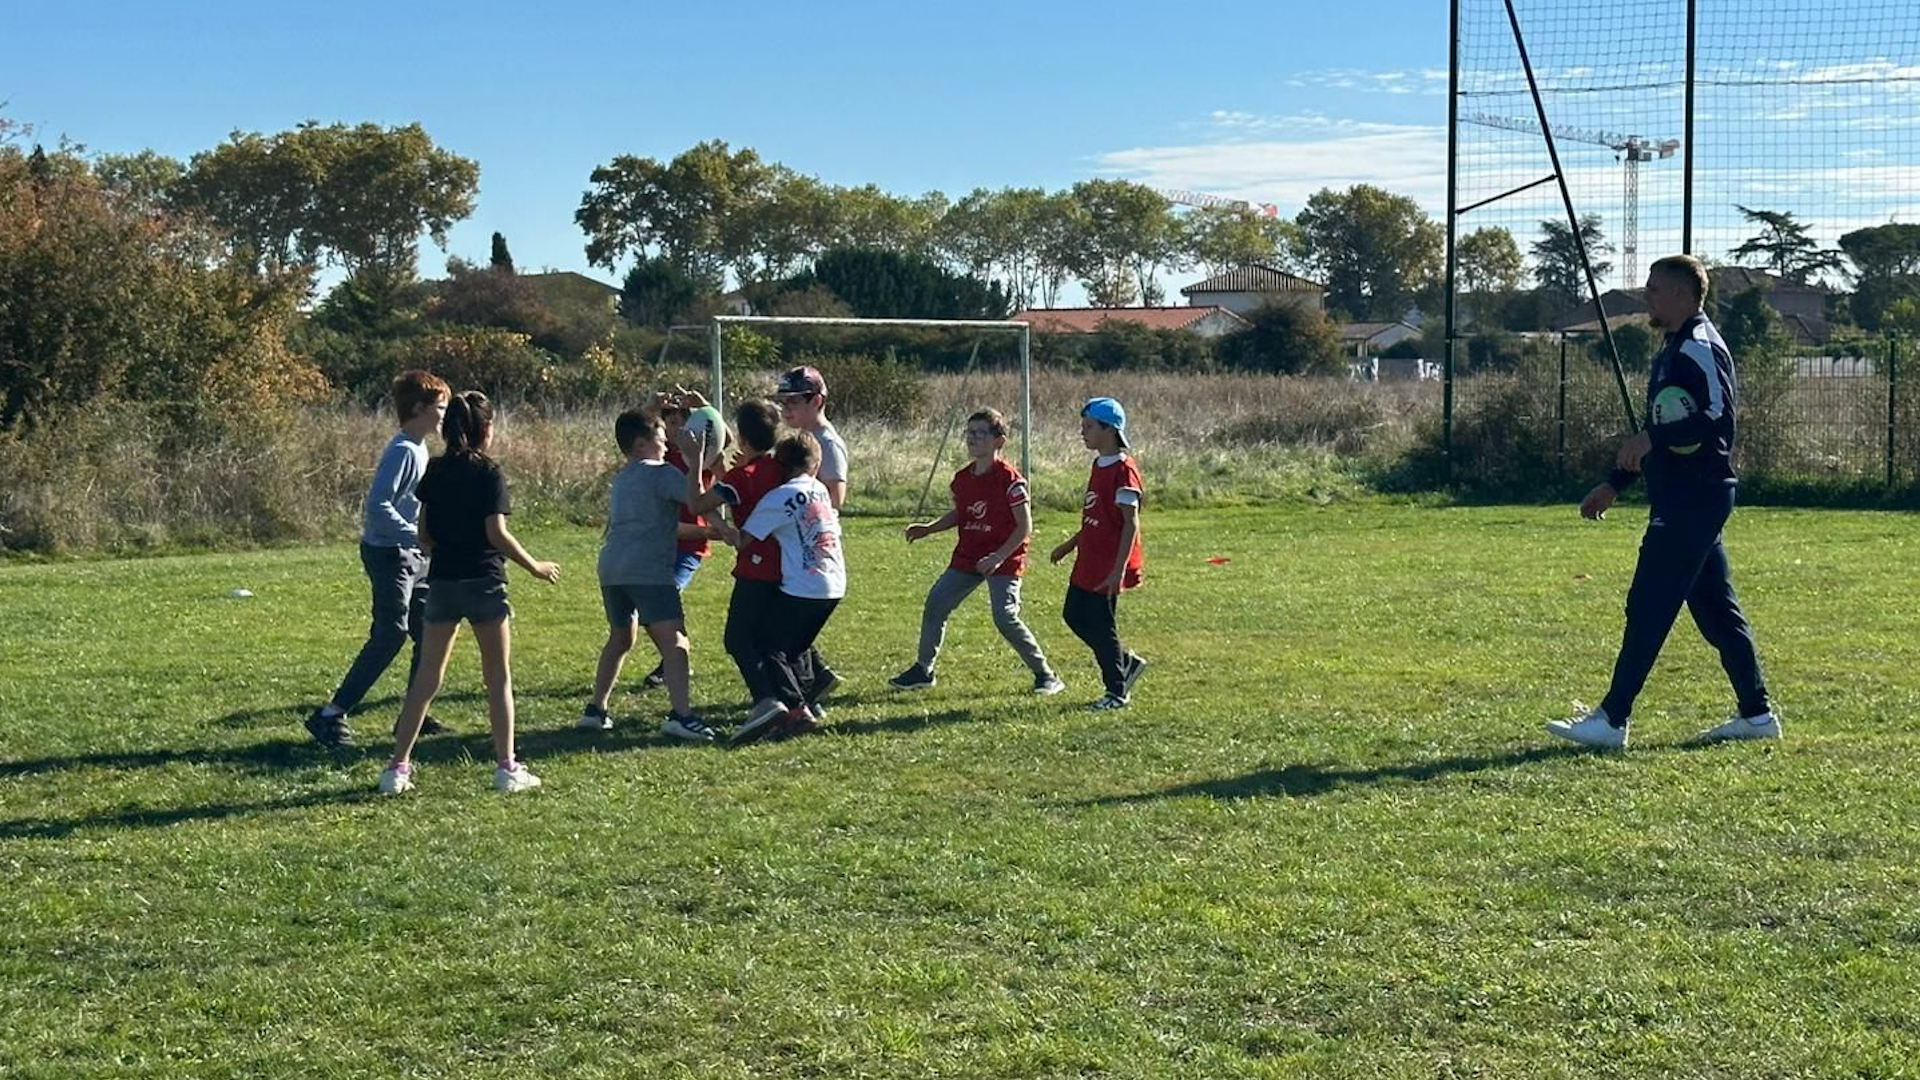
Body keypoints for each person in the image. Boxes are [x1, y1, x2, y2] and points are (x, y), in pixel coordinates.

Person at [1550, 254, 1777, 749]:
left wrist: (1651, 436)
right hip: (1682, 494)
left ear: (1679, 294)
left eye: (1653, 289)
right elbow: (1665, 432)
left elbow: (1719, 420)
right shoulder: (1673, 349)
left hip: (1696, 497)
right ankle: (1757, 715)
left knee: (1649, 602)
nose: (1645, 297)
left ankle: (1611, 720)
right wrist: (1615, 482)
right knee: (1716, 611)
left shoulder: (1698, 347)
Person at [379, 392, 561, 795]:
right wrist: (534, 566)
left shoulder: (436, 470)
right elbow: (496, 533)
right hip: (484, 582)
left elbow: (423, 534)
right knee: (497, 678)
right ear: (486, 430)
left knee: (426, 679)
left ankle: (397, 768)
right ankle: (506, 767)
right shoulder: (489, 473)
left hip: (442, 582)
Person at [307, 370, 451, 749]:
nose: (445, 414)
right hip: (390, 555)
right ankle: (330, 715)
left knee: (428, 633)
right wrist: (415, 536)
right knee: (390, 634)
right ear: (418, 409)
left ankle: (412, 713)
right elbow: (379, 506)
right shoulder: (404, 449)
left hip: (413, 555)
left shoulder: (420, 447)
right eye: (440, 407)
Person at [890, 408, 1065, 696]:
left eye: (980, 433)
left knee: (1004, 616)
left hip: (1004, 557)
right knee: (936, 604)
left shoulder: (1010, 480)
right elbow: (962, 512)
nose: (972, 439)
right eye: (969, 433)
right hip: (970, 555)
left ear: (999, 441)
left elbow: (1025, 527)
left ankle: (1046, 675)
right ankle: (923, 670)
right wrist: (929, 529)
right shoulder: (962, 478)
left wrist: (998, 557)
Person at [578, 410, 722, 742]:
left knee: (620, 638)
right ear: (642, 445)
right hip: (648, 570)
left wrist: (721, 530)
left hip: (612, 569)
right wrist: (695, 459)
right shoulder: (662, 472)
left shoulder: (623, 477)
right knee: (676, 643)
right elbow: (697, 500)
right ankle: (681, 716)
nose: (667, 443)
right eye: (662, 438)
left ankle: (596, 710)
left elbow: (662, 522)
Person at [706, 431, 845, 746]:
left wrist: (720, 524)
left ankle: (796, 710)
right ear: (816, 462)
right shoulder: (820, 490)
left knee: (768, 645)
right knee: (794, 648)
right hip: (835, 583)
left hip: (804, 584)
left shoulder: (778, 497)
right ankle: (808, 697)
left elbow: (744, 540)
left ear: (779, 466)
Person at [682, 399, 789, 734]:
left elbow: (697, 503)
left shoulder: (742, 477)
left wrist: (695, 463)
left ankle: (767, 701)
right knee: (772, 637)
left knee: (738, 638)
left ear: (742, 438)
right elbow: (745, 491)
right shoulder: (780, 468)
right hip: (788, 563)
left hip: (756, 566)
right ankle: (801, 697)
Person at [1050, 397, 1147, 711]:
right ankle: (1125, 663)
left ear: (1110, 429)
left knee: (1104, 628)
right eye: (1083, 426)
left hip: (1108, 562)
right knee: (1073, 615)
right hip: (1088, 558)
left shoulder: (1123, 470)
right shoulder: (1098, 464)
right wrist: (1070, 544)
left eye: (1089, 427)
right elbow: (1098, 517)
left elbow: (1130, 524)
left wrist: (1118, 570)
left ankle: (1117, 692)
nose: (1083, 432)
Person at [774, 366, 844, 707]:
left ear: (816, 400)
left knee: (791, 623)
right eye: (782, 402)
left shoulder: (827, 441)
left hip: (812, 547)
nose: (786, 408)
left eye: (793, 401)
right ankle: (817, 677)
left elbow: (836, 497)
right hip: (795, 541)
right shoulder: (800, 440)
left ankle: (807, 691)